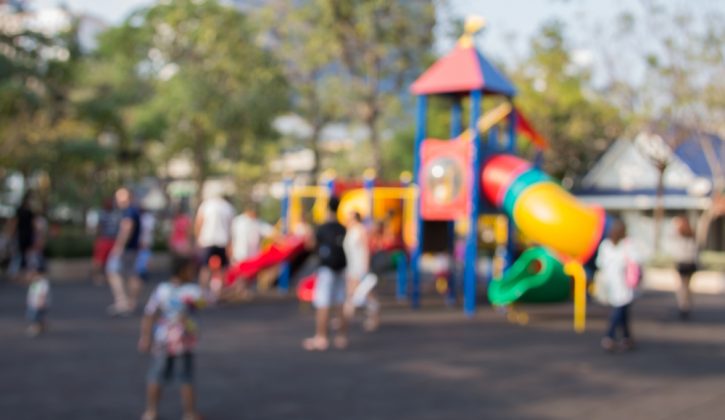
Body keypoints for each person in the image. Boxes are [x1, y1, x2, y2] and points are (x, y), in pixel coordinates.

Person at [138, 256, 209, 420]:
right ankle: (190, 413)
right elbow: (208, 301)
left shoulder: (161, 289)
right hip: (184, 340)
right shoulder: (192, 291)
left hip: (163, 338)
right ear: (183, 270)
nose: (194, 272)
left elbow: (149, 314)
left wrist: (145, 336)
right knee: (186, 376)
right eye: (192, 269)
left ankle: (150, 411)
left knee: (156, 375)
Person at [303, 197, 348, 351]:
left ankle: (321, 337)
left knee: (323, 303)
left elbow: (311, 246)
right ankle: (341, 336)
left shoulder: (322, 228)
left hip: (327, 268)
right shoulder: (342, 228)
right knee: (340, 302)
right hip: (341, 268)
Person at [596, 218, 640, 352]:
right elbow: (636, 260)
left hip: (610, 281)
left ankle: (626, 337)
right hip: (623, 282)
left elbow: (600, 263)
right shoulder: (627, 245)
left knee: (623, 310)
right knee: (619, 309)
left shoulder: (606, 245)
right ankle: (609, 336)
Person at [106, 187, 143, 315]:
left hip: (127, 249)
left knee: (113, 271)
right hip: (132, 248)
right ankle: (131, 302)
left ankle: (122, 302)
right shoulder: (134, 211)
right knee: (132, 274)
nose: (118, 199)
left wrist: (119, 247)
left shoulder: (129, 212)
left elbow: (126, 229)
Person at [343, 212, 380, 331]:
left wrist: (366, 266)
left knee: (366, 293)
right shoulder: (350, 230)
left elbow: (366, 249)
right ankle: (346, 317)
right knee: (352, 293)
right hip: (352, 265)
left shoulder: (360, 230)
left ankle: (373, 317)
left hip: (359, 265)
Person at [194, 189, 235, 290]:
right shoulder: (228, 207)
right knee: (222, 269)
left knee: (205, 268)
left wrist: (198, 238)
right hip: (223, 241)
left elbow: (199, 222)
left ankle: (203, 291)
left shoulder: (206, 205)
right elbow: (231, 228)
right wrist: (230, 245)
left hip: (207, 240)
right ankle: (219, 292)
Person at [670, 215, 698, 320]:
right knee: (687, 285)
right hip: (690, 262)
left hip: (682, 262)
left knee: (682, 285)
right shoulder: (692, 234)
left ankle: (683, 304)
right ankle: (687, 303)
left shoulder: (679, 234)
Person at [5, 192, 36, 281]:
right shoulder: (27, 212)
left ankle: (16, 272)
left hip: (24, 235)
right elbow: (32, 225)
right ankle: (23, 272)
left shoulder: (24, 211)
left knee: (22, 254)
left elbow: (15, 223)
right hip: (25, 235)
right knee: (23, 254)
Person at [92, 198, 118, 285]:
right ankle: (96, 276)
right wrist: (98, 239)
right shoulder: (102, 214)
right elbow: (98, 228)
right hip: (104, 239)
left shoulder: (115, 214)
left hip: (113, 240)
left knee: (110, 260)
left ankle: (108, 276)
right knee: (99, 260)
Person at [26, 261, 50, 337]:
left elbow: (43, 294)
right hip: (33, 302)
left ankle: (35, 329)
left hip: (38, 303)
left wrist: (41, 302)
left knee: (34, 317)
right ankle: (42, 326)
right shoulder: (35, 282)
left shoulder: (43, 283)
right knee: (37, 316)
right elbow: (32, 292)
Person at [135, 208, 156, 282]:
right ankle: (142, 272)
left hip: (145, 240)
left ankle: (143, 272)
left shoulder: (145, 218)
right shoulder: (146, 218)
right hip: (145, 240)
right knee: (144, 257)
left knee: (144, 257)